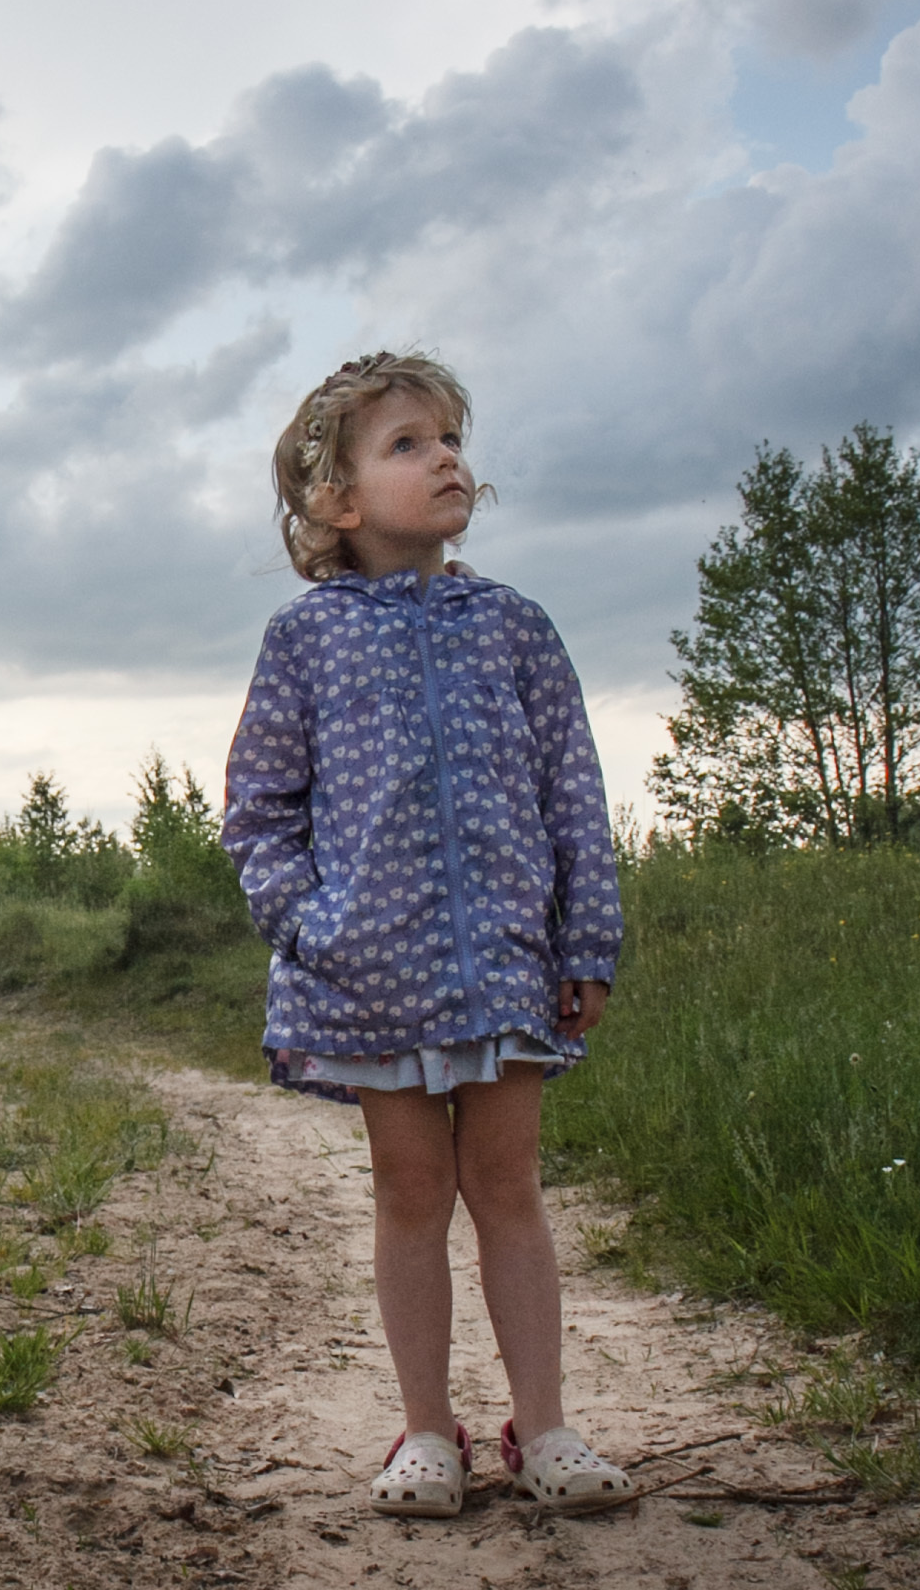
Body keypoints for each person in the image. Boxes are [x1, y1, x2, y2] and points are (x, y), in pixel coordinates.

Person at [221, 349, 630, 1516]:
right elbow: (256, 809)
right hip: (369, 977)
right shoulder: (304, 638)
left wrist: (584, 942)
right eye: (406, 442)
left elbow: (571, 792)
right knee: (409, 1189)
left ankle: (540, 1428)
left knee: (506, 1182)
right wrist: (311, 926)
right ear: (335, 498)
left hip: (504, 965)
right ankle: (422, 1430)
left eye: (449, 437)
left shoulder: (512, 625)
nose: (444, 457)